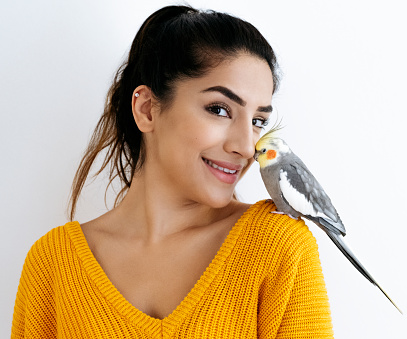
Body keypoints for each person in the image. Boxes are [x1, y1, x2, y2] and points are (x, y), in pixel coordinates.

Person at [11, 5, 333, 338]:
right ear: (147, 109)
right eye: (220, 110)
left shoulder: (279, 247)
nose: (246, 145)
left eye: (258, 121)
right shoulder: (52, 265)